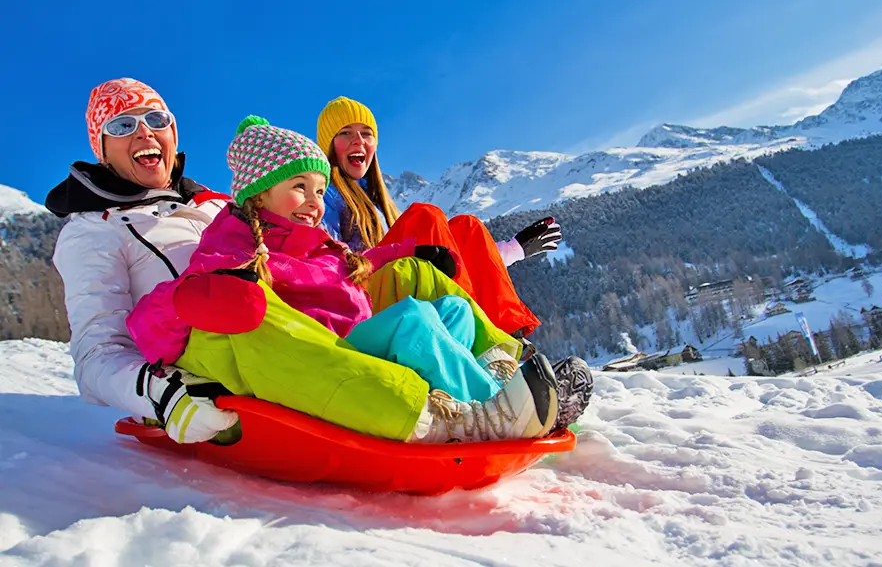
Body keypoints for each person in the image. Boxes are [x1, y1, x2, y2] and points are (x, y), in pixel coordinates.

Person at [126, 116, 580, 444]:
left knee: (454, 309)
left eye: (320, 191)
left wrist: (410, 251)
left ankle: (501, 367)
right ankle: (495, 408)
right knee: (413, 321)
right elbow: (169, 305)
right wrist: (206, 296)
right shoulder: (234, 240)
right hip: (330, 353)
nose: (314, 201)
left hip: (359, 335)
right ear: (259, 192)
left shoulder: (312, 240)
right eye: (299, 187)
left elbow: (360, 262)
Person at [46, 77, 241, 444]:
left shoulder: (218, 206)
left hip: (286, 335)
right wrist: (164, 393)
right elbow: (97, 355)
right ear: (103, 151)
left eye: (156, 120)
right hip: (212, 379)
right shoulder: (95, 230)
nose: (144, 134)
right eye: (122, 126)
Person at [316, 96, 563, 340]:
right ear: (330, 145)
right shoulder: (324, 195)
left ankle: (513, 339)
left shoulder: (378, 202)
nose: (358, 140)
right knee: (424, 216)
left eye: (366, 133)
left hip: (395, 283)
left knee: (467, 226)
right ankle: (474, 333)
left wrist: (512, 250)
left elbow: (448, 260)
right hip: (360, 299)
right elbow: (327, 262)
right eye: (346, 133)